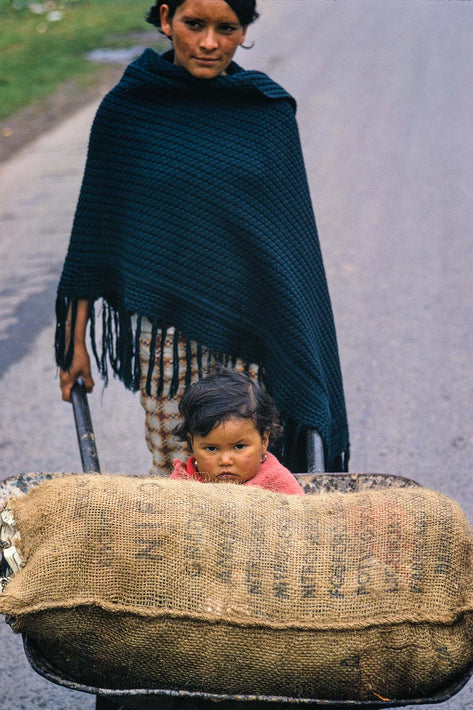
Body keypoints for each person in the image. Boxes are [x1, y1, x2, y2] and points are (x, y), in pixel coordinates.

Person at [55, 0, 349, 475]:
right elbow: (94, 231)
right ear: (167, 19)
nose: (209, 43)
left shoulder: (265, 112)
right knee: (181, 474)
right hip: (166, 334)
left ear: (244, 29)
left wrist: (299, 340)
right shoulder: (128, 111)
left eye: (226, 28)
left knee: (250, 472)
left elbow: (291, 248)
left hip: (254, 331)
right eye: (195, 24)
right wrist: (74, 343)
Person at [171, 364, 304, 494]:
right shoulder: (182, 484)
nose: (225, 461)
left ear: (264, 440)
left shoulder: (278, 485)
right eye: (211, 448)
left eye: (239, 446)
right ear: (192, 443)